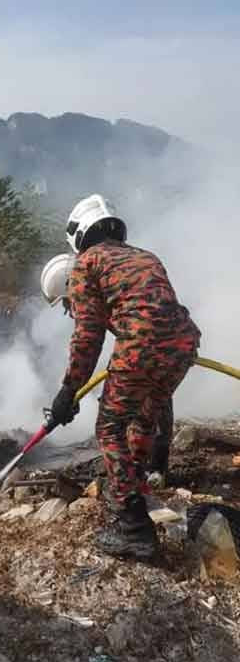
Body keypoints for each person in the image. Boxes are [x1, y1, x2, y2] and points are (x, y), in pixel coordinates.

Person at [47, 194, 200, 559]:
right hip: (184, 342)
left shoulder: (85, 264)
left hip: (143, 343)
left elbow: (88, 335)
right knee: (145, 415)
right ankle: (139, 484)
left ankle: (133, 527)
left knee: (109, 427)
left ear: (79, 235)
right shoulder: (145, 256)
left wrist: (68, 392)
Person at [40, 253, 174, 486]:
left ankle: (130, 492)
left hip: (156, 350)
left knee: (112, 424)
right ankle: (153, 471)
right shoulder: (114, 290)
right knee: (150, 401)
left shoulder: (96, 295)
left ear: (71, 288)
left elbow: (87, 343)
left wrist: (68, 391)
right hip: (174, 345)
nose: (69, 311)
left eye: (65, 302)